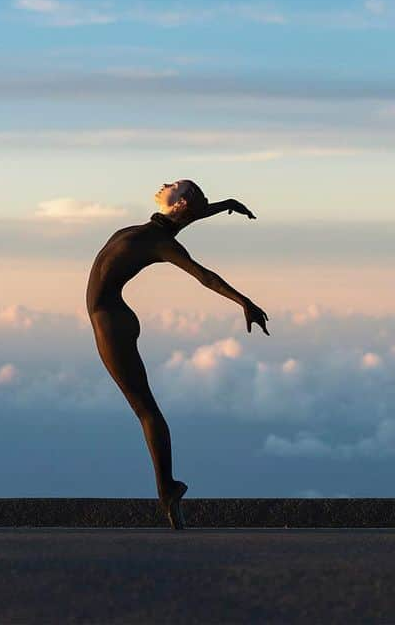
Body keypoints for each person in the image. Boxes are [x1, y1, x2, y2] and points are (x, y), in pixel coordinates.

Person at [85, 179, 269, 529]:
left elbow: (205, 276)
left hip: (110, 323)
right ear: (183, 205)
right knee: (146, 411)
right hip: (113, 320)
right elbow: (189, 225)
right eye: (200, 197)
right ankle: (167, 487)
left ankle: (167, 488)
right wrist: (224, 204)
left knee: (146, 412)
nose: (205, 204)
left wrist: (244, 301)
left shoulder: (143, 234)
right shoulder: (156, 239)